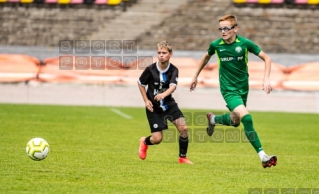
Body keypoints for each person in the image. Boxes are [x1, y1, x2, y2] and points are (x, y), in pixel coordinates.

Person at [190, 14, 277, 168]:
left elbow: (267, 58)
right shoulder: (216, 45)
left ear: (235, 29)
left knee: (235, 121)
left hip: (243, 88)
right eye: (220, 29)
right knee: (247, 119)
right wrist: (195, 76)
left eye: (226, 28)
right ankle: (263, 156)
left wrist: (266, 79)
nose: (223, 32)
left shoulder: (244, 43)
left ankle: (213, 119)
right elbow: (205, 57)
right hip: (228, 90)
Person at [137, 40, 193, 164]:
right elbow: (140, 83)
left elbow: (173, 86)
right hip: (154, 108)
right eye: (159, 53)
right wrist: (146, 100)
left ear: (170, 54)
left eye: (164, 53)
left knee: (183, 128)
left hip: (169, 105)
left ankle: (182, 157)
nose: (161, 55)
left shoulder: (173, 70)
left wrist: (163, 95)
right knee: (157, 139)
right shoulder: (150, 69)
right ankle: (144, 141)